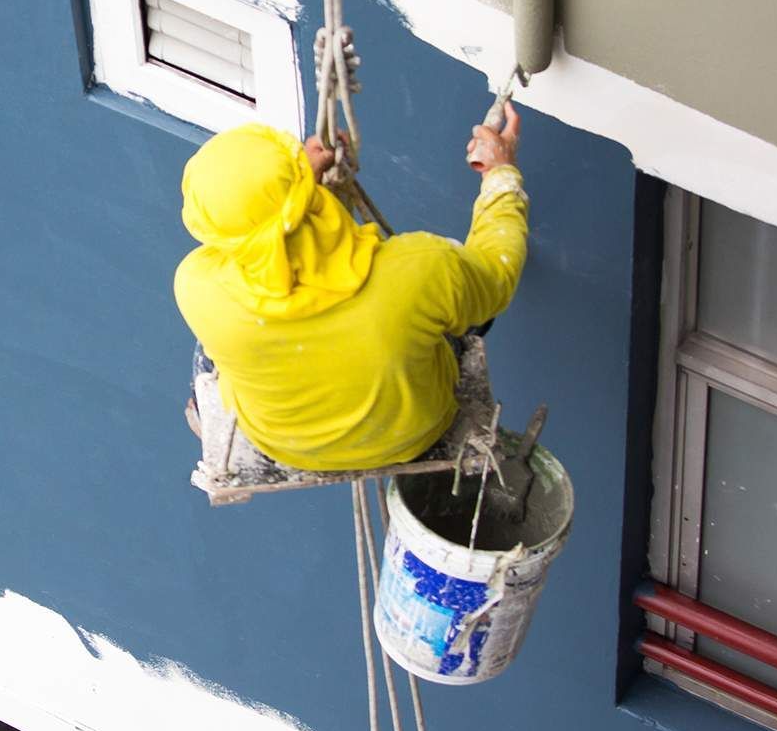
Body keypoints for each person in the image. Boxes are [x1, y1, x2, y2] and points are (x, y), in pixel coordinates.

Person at [175, 105, 528, 472]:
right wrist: (500, 175)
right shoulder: (422, 269)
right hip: (412, 434)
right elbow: (498, 272)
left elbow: (258, 241)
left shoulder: (196, 287)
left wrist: (290, 191)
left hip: (286, 444)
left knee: (213, 347)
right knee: (464, 293)